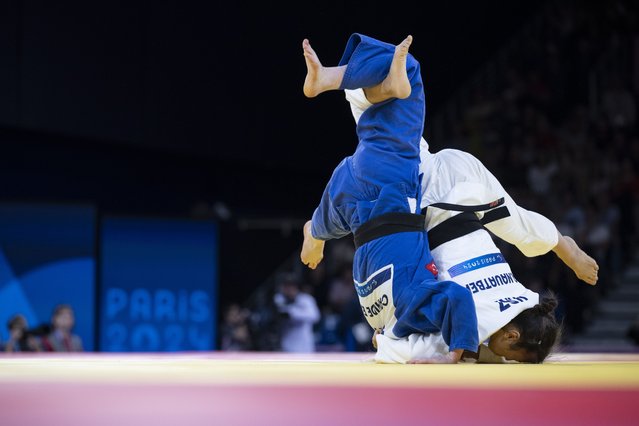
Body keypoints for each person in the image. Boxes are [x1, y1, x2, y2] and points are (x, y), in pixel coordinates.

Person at [342, 81, 598, 364]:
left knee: (515, 222)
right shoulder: (474, 323)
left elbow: (492, 346)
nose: (506, 360)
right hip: (430, 201)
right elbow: (422, 348)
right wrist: (384, 341)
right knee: (380, 138)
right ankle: (360, 82)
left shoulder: (526, 303)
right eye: (513, 358)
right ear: (511, 337)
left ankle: (563, 245)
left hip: (466, 185)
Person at [300, 33, 480, 363]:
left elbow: (458, 298)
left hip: (389, 189)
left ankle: (329, 78)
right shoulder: (379, 320)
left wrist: (459, 356)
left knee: (409, 71)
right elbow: (384, 341)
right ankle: (314, 233)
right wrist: (387, 337)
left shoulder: (415, 303)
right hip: (352, 204)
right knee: (380, 109)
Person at [273, 272, 321, 352]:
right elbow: (277, 313)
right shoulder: (279, 299)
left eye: (291, 286)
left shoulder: (306, 299)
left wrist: (292, 312)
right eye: (286, 286)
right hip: (286, 345)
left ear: (297, 287)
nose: (289, 289)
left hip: (304, 346)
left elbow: (315, 316)